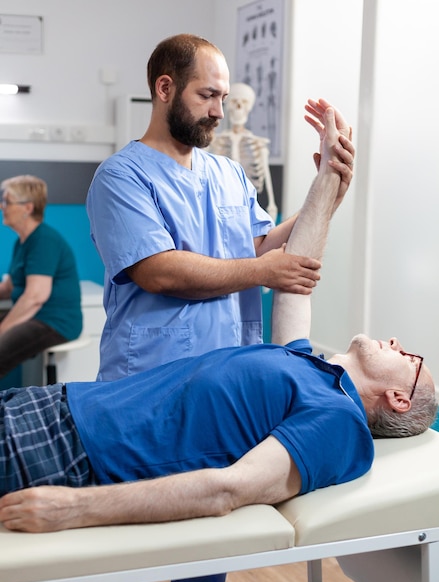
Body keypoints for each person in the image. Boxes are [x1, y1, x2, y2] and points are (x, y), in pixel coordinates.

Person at [0, 106, 437, 537]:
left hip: (73, 450)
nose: (396, 341)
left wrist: (73, 509)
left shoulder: (339, 425)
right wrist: (329, 183)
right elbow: (297, 283)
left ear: (399, 398)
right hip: (61, 404)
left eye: (409, 357)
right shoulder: (309, 369)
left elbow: (228, 489)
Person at [85, 32, 354, 582]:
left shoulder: (227, 175)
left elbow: (260, 243)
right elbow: (160, 272)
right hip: (145, 387)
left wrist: (324, 189)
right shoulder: (121, 177)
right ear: (164, 89)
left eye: (224, 97)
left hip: (222, 384)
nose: (218, 110)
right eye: (207, 95)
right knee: (117, 552)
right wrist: (262, 269)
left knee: (207, 542)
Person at [0, 175, 82, 380]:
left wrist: (3, 329)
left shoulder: (44, 240)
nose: (2, 207)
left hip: (53, 322)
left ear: (27, 208)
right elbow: (8, 288)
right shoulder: (23, 242)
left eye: (7, 202)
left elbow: (35, 297)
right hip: (35, 316)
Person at [208, 82, 278, 220]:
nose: (239, 106)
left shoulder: (259, 144)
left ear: (249, 107)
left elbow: (271, 202)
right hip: (218, 208)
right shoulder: (213, 140)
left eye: (243, 102)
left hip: (248, 210)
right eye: (234, 101)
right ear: (228, 106)